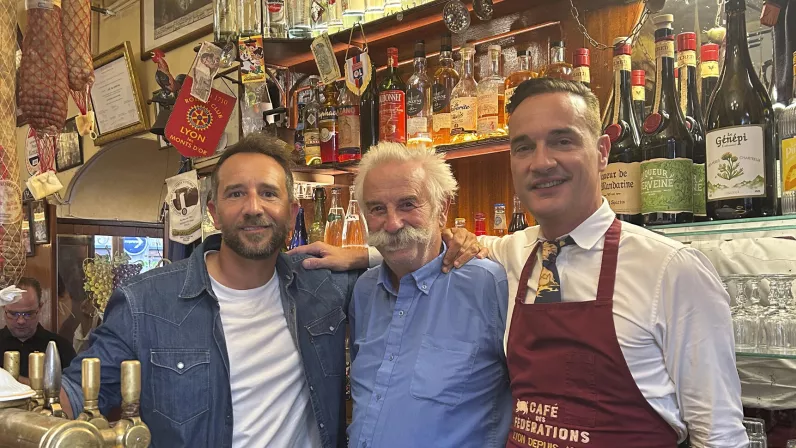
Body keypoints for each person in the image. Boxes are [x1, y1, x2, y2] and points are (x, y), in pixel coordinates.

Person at [57, 133, 481, 448]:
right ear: (213, 212)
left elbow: (407, 252)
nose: (253, 207)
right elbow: (74, 398)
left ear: (291, 212)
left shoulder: (325, 285)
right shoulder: (145, 302)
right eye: (236, 194)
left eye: (268, 193)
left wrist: (445, 240)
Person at [460, 79, 747, 447]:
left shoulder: (672, 269)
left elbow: (720, 436)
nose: (541, 162)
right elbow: (437, 244)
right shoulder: (510, 253)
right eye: (524, 147)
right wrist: (443, 241)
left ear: (601, 152)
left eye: (563, 141)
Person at [346, 143, 511, 447]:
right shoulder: (364, 290)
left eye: (408, 204)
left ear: (442, 208)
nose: (392, 223)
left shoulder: (489, 284)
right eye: (377, 209)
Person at [1, 277, 76, 376]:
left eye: (28, 314)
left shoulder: (61, 347)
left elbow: (72, 384)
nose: (21, 321)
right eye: (13, 314)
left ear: (40, 307)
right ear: (4, 307)